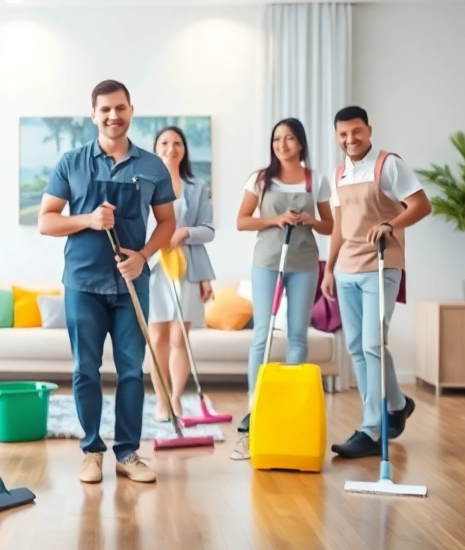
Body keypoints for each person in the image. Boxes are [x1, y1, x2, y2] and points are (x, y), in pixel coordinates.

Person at [39, 79, 175, 484]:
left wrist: (143, 256)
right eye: (105, 110)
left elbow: (168, 222)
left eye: (120, 108)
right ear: (94, 114)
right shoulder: (71, 162)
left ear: (131, 110)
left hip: (132, 284)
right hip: (82, 284)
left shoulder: (152, 166)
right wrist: (88, 220)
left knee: (132, 370)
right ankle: (92, 451)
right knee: (86, 369)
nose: (113, 116)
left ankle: (128, 453)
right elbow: (46, 220)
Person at [322, 105, 431, 458]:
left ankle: (371, 428)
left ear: (369, 130)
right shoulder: (338, 173)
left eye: (356, 132)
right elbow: (338, 226)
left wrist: (392, 224)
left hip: (381, 265)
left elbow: (421, 205)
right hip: (346, 270)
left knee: (372, 344)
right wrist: (329, 269)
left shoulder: (389, 164)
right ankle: (397, 404)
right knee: (357, 346)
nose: (350, 139)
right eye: (343, 134)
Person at [231, 117, 333, 461]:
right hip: (268, 260)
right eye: (277, 138)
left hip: (304, 262)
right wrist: (275, 220)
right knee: (262, 333)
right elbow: (242, 220)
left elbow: (330, 226)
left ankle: (290, 403)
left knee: (297, 335)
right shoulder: (261, 179)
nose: (283, 144)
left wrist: (309, 221)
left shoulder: (315, 180)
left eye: (289, 138)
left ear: (300, 143)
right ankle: (255, 405)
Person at [145, 125, 215, 422]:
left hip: (186, 267)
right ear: (155, 148)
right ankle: (160, 400)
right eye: (164, 143)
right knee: (157, 337)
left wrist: (184, 231)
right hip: (153, 267)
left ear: (184, 149)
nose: (170, 148)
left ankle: (175, 399)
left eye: (177, 143)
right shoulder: (144, 183)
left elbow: (208, 231)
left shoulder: (196, 186)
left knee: (179, 339)